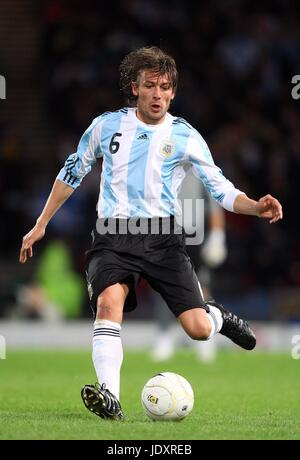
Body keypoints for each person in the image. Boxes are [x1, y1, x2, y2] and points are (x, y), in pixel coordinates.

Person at [19, 46, 283, 421]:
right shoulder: (105, 126)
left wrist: (255, 205)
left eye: (164, 87)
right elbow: (72, 172)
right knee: (108, 304)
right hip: (112, 236)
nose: (157, 95)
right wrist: (41, 222)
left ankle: (218, 319)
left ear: (173, 92)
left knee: (197, 329)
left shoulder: (186, 136)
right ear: (135, 88)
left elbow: (220, 188)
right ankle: (109, 396)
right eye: (149, 86)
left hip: (163, 240)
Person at [151, 173, 227, 363]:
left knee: (202, 286)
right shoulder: (159, 166)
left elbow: (215, 205)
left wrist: (218, 236)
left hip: (195, 235)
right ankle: (164, 336)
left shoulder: (201, 169)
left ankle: (205, 334)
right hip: (166, 231)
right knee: (163, 285)